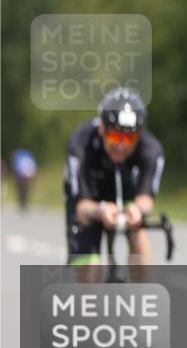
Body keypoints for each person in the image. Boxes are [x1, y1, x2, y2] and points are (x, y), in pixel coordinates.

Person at [64, 87, 165, 277]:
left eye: (129, 138)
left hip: (127, 192)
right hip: (89, 198)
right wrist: (100, 210)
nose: (121, 145)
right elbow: (81, 206)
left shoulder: (151, 150)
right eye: (115, 136)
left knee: (138, 230)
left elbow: (146, 199)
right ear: (102, 129)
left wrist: (137, 210)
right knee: (90, 272)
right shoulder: (80, 143)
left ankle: (143, 299)